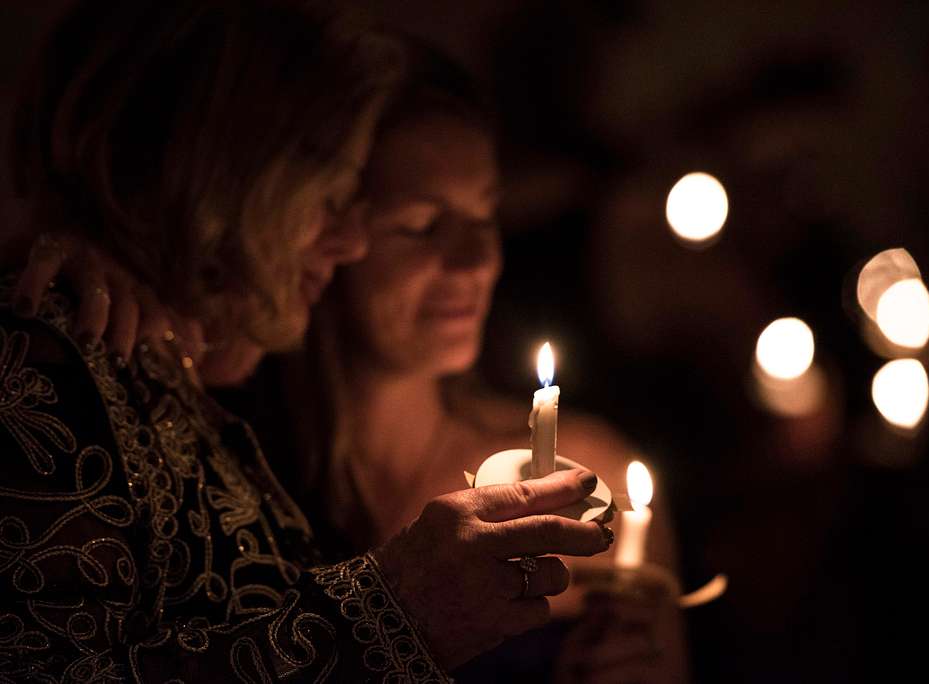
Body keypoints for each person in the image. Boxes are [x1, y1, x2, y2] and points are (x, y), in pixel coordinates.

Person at [0, 2, 613, 680]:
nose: (346, 242)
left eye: (487, 215)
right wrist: (389, 614)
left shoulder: (186, 394)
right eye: (330, 199)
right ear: (227, 181)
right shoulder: (53, 366)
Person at [219, 38, 688, 683]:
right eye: (420, 225)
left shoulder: (592, 486)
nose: (475, 261)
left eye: (486, 215)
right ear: (319, 232)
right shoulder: (231, 492)